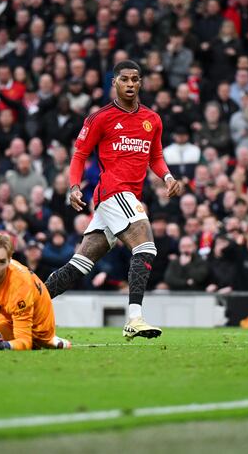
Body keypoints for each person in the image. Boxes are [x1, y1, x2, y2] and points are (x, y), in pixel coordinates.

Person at [44, 60, 183, 340]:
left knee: (79, 265)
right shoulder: (101, 118)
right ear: (114, 83)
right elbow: (79, 154)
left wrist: (167, 177)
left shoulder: (152, 120)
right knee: (146, 245)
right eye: (124, 79)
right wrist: (73, 187)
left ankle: (28, 303)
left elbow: (154, 156)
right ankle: (134, 318)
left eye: (135, 79)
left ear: (141, 83)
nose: (130, 84)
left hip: (126, 197)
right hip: (113, 192)